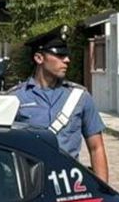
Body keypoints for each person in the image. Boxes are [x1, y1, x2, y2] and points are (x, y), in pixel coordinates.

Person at [12, 31, 109, 182]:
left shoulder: (79, 97)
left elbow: (96, 148)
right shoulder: (15, 98)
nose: (67, 60)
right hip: (31, 186)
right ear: (39, 58)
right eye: (60, 55)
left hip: (69, 186)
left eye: (67, 55)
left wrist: (104, 191)